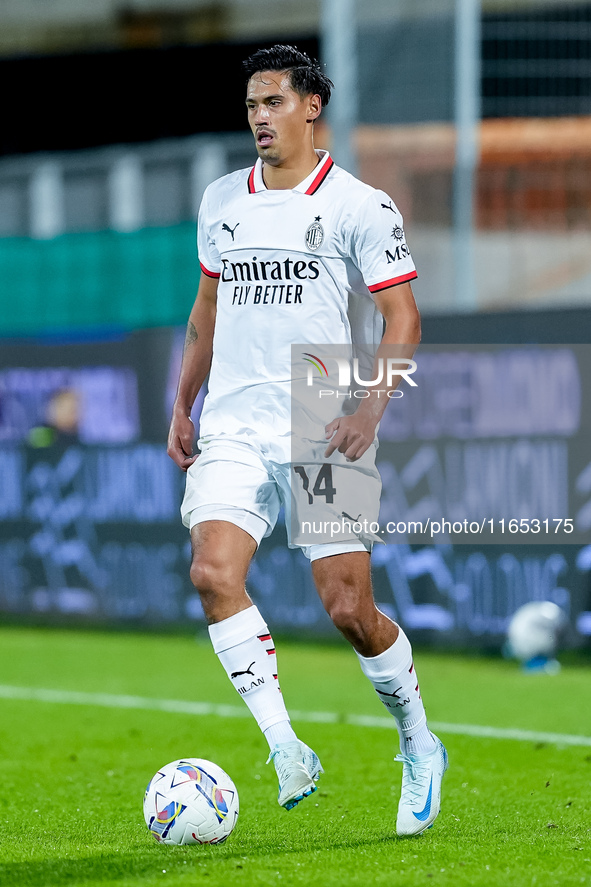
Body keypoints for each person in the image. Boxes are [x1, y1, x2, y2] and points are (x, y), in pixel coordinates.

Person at [167, 44, 447, 837]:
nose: (259, 116)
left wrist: (369, 410)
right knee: (213, 571)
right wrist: (182, 405)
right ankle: (285, 745)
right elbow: (204, 314)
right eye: (251, 104)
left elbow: (403, 318)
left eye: (274, 102)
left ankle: (419, 739)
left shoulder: (359, 203)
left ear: (310, 108)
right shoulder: (223, 198)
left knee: (348, 607)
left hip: (320, 405)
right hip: (232, 418)